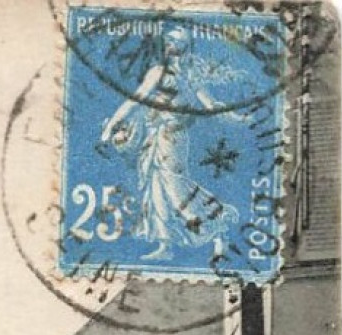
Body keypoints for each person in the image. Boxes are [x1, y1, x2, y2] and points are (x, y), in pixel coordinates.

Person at [98, 23, 241, 260]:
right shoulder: (158, 72)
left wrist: (235, 115)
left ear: (183, 46)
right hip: (155, 135)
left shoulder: (189, 76)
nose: (168, 45)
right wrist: (112, 125)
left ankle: (217, 223)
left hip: (173, 136)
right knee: (155, 185)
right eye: (167, 41)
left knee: (175, 185)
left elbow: (210, 105)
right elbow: (136, 100)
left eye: (174, 42)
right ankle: (165, 245)